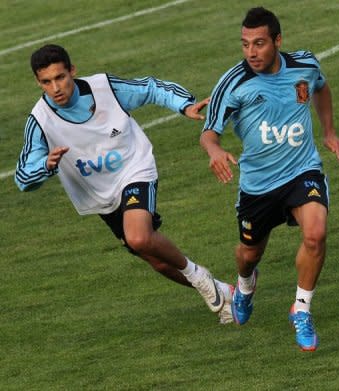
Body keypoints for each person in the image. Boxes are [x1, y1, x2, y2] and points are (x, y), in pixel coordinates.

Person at [15, 44, 233, 324]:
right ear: (38, 82)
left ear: (72, 71)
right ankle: (223, 291)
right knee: (152, 257)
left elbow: (151, 88)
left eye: (60, 77)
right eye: (46, 82)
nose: (55, 87)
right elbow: (23, 178)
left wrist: (184, 104)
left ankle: (200, 276)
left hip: (135, 169)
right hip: (102, 196)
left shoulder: (106, 88)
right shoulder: (40, 121)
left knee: (139, 236)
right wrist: (45, 166)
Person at [200, 7, 339, 350]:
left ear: (277, 41)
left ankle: (301, 308)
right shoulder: (234, 82)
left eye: (260, 43)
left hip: (301, 171)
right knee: (248, 254)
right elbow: (209, 132)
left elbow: (321, 89)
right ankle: (246, 286)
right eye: (245, 44)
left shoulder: (305, 66)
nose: (251, 52)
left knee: (316, 233)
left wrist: (329, 131)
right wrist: (215, 152)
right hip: (258, 186)